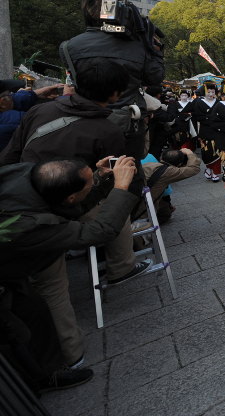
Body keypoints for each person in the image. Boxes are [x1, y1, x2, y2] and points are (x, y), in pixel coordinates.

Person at [0, 156, 137, 392]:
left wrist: (98, 177)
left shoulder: (26, 175)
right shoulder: (31, 224)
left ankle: (49, 368)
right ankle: (36, 382)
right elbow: (98, 231)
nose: (92, 186)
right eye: (89, 185)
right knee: (15, 333)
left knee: (34, 310)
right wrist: (121, 187)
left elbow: (67, 206)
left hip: (11, 269)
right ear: (71, 197)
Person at [62, 0, 165, 160]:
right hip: (128, 124)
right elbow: (155, 78)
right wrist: (156, 52)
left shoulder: (68, 46)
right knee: (128, 170)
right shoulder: (138, 46)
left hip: (84, 122)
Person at [135, 148, 201, 225]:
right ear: (179, 164)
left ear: (161, 158)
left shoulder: (148, 165)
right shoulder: (169, 172)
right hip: (139, 214)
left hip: (130, 205)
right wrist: (189, 153)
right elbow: (194, 169)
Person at [191, 82, 221, 182]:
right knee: (207, 152)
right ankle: (208, 168)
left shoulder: (219, 102)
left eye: (213, 91)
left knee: (217, 152)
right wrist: (211, 118)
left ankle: (215, 172)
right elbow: (198, 116)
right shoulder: (199, 102)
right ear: (204, 92)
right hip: (205, 131)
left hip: (217, 131)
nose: (211, 94)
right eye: (208, 92)